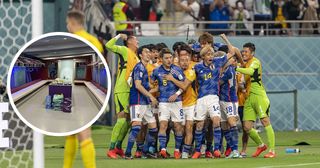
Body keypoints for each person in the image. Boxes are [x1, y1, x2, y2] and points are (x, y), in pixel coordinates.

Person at [64, 10, 104, 168]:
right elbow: (101, 68)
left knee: (81, 132)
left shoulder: (70, 40)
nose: (67, 26)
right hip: (90, 90)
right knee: (71, 132)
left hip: (75, 91)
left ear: (72, 23)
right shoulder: (94, 41)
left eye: (68, 23)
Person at [236, 42, 276, 158]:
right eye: (243, 51)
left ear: (252, 53)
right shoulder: (244, 64)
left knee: (265, 121)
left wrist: (236, 68)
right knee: (247, 127)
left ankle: (272, 150)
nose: (243, 53)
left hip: (259, 95)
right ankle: (261, 145)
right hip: (249, 97)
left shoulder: (255, 62)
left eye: (246, 52)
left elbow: (250, 72)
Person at [106, 33, 140, 159]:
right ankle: (110, 149)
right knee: (121, 119)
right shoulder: (125, 50)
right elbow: (108, 45)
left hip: (130, 91)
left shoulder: (137, 58)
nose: (138, 41)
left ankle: (118, 147)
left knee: (127, 121)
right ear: (129, 42)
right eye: (136, 39)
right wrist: (119, 36)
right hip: (121, 89)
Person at [124, 45, 158, 159]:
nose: (149, 54)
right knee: (136, 128)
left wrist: (155, 90)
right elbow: (138, 86)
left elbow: (145, 87)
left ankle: (145, 151)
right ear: (140, 55)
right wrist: (151, 97)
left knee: (153, 128)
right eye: (146, 52)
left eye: (150, 52)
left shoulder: (145, 68)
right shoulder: (139, 67)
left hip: (145, 102)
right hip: (137, 101)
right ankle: (127, 153)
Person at [150, 48, 185, 159]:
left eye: (170, 57)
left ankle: (177, 150)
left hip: (177, 102)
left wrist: (176, 94)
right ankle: (163, 149)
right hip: (163, 102)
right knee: (163, 125)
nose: (169, 60)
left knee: (177, 126)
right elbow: (151, 83)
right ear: (161, 59)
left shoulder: (177, 70)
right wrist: (151, 91)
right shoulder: (156, 71)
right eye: (166, 58)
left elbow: (184, 85)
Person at [163, 45, 197, 159]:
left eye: (187, 60)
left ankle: (186, 152)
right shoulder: (174, 69)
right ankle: (180, 149)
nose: (184, 62)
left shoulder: (191, 71)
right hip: (178, 104)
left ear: (190, 60)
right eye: (182, 60)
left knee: (189, 127)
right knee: (179, 129)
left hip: (191, 103)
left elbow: (184, 86)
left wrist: (172, 79)